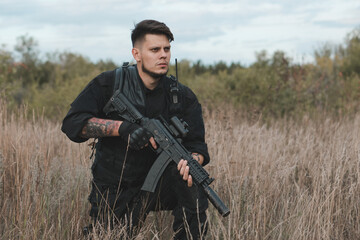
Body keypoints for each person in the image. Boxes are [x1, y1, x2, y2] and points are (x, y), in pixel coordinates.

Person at [61, 19, 210, 239]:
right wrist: (122, 129)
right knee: (108, 234)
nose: (163, 55)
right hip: (117, 184)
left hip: (162, 185)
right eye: (155, 49)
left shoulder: (182, 97)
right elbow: (72, 124)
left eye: (167, 49)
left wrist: (193, 161)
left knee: (193, 183)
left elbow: (198, 145)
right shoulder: (109, 84)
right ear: (136, 54)